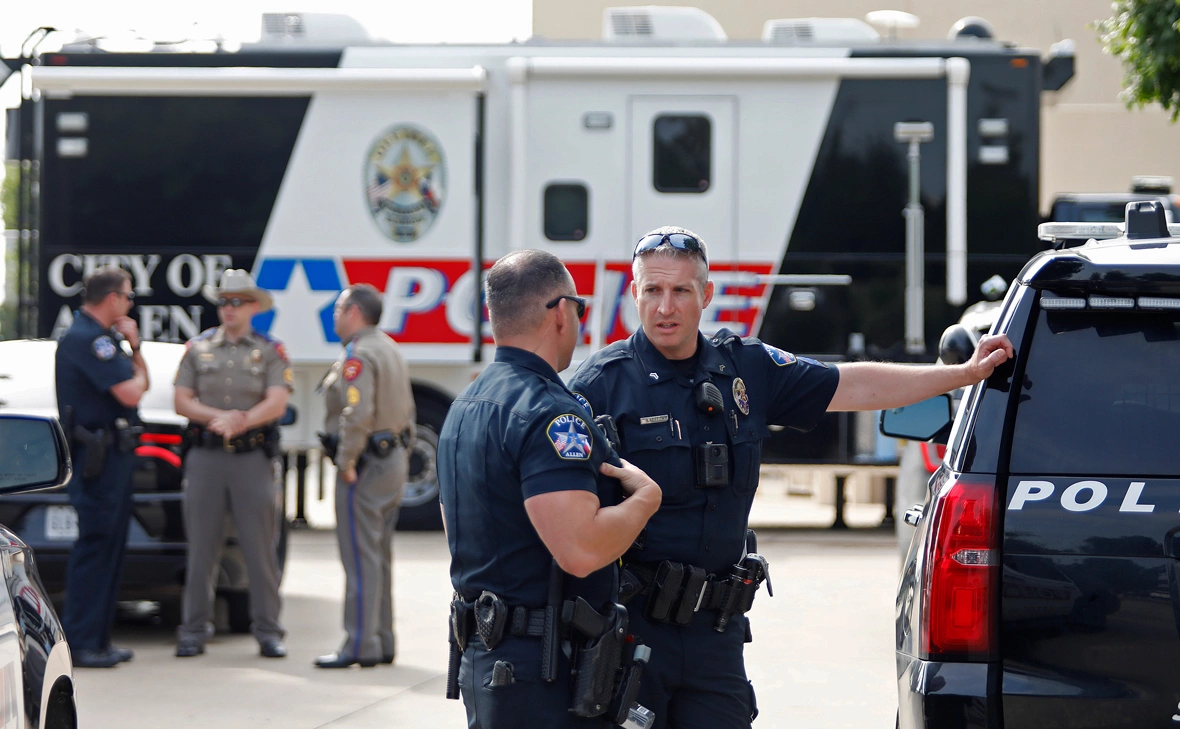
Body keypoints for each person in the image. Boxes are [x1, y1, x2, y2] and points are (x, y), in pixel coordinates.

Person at [568, 227, 1015, 729]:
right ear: (634, 293)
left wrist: (957, 375)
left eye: (680, 291)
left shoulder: (747, 368)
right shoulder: (600, 386)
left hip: (716, 636)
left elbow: (855, 385)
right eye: (651, 290)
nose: (664, 307)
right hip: (634, 634)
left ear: (707, 295)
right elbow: (563, 517)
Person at [438, 249, 662, 729]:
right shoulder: (550, 412)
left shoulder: (465, 405)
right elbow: (579, 551)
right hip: (541, 673)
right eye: (579, 308)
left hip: (490, 657)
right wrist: (646, 500)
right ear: (560, 312)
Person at [173, 270, 292, 659]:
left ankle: (269, 631)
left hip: (251, 459)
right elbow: (181, 399)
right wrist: (216, 418)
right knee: (201, 548)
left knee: (260, 549)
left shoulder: (271, 350)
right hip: (206, 458)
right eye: (224, 301)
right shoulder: (198, 348)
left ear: (253, 307)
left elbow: (277, 402)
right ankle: (192, 629)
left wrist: (239, 420)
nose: (229, 308)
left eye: (237, 301)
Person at [314, 283, 416, 668]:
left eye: (339, 308)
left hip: (367, 466)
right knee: (379, 556)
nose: (335, 315)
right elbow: (407, 409)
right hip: (391, 460)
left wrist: (347, 462)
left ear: (354, 312)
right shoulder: (388, 346)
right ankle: (382, 639)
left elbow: (357, 414)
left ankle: (359, 644)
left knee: (360, 557)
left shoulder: (358, 355)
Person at [55, 266, 150, 668]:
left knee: (110, 548)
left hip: (113, 458)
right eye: (127, 297)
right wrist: (137, 354)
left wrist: (135, 349)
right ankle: (81, 641)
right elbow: (130, 392)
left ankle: (99, 639)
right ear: (112, 297)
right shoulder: (88, 340)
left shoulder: (104, 339)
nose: (129, 304)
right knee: (95, 549)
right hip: (97, 463)